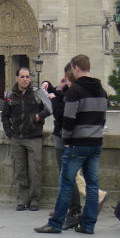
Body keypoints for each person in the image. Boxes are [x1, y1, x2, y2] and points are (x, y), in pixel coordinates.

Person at [35, 53, 108, 234]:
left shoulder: (75, 91)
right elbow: (102, 119)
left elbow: (68, 119)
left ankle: (55, 223)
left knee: (66, 184)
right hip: (95, 143)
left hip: (76, 144)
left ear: (76, 68)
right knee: (92, 185)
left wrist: (67, 140)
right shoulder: (102, 91)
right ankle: (88, 225)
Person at [1, 65, 51, 212]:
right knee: (20, 171)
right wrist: (9, 133)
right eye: (22, 77)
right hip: (17, 138)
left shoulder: (37, 92)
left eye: (27, 77)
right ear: (17, 78)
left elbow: (49, 108)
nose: (25, 79)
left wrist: (38, 117)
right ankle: (22, 200)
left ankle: (35, 200)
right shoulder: (10, 95)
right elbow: (5, 116)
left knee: (35, 171)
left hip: (34, 137)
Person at [46, 66, 83, 229]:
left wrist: (54, 98)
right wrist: (57, 89)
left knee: (68, 175)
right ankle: (67, 208)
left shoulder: (73, 92)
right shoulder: (72, 90)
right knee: (68, 176)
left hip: (66, 137)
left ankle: (74, 210)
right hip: (69, 137)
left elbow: (61, 113)